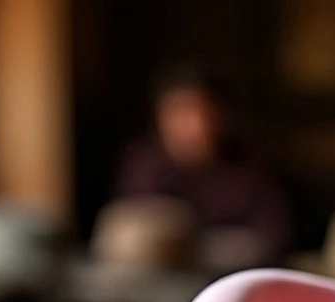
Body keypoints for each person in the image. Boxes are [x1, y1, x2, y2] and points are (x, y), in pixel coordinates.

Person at [114, 67, 290, 273]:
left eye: (203, 111)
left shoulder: (249, 169)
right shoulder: (143, 166)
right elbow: (133, 238)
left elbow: (273, 236)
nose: (195, 125)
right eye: (181, 113)